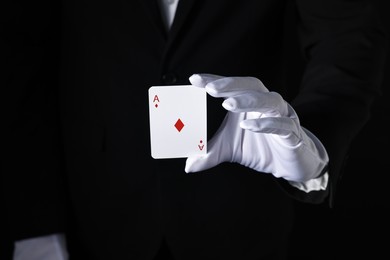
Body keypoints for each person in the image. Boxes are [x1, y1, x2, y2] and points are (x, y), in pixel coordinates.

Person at [3, 0, 388, 259]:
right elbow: (24, 56)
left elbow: (347, 34)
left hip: (243, 213)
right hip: (97, 209)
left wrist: (312, 144)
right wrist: (36, 226)